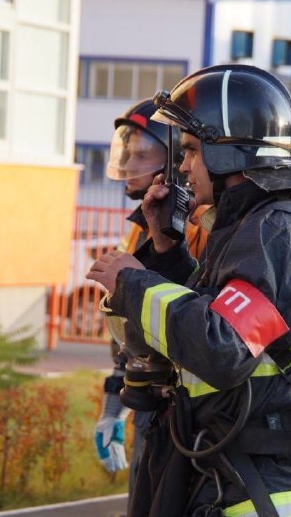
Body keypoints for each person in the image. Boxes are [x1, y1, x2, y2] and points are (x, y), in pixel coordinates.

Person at [87, 65, 291, 516]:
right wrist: (165, 248)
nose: (184, 166)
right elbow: (205, 322)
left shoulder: (283, 231)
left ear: (231, 152)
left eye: (192, 150)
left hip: (275, 492)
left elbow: (223, 346)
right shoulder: (256, 228)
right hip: (242, 477)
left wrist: (133, 283)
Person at [93, 98, 209, 495]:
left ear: (175, 157)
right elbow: (132, 331)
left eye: (143, 153)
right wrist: (114, 404)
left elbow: (190, 316)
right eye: (127, 150)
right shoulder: (145, 226)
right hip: (150, 392)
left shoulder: (194, 228)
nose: (129, 162)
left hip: (180, 403)